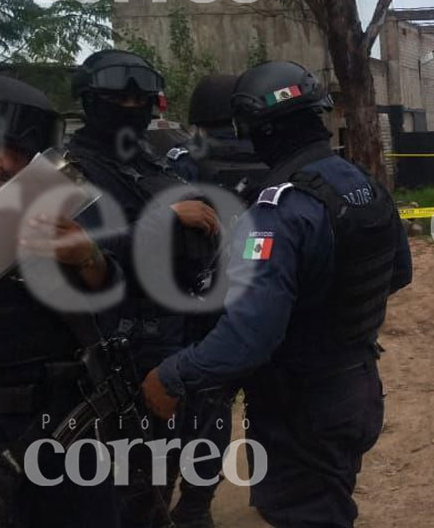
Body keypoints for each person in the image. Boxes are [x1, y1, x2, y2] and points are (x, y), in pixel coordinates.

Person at [141, 60, 413, 527]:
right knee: (329, 502)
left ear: (259, 129)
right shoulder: (363, 185)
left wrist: (171, 376)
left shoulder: (278, 212)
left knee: (306, 514)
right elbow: (399, 273)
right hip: (357, 387)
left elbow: (249, 338)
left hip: (303, 405)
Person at [0, 73, 120, 526]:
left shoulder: (49, 207)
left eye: (21, 152)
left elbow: (112, 305)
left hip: (70, 423)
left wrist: (88, 258)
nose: (5, 163)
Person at [66, 49, 221, 527]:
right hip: (121, 348)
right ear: (91, 102)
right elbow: (78, 252)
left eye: (141, 99)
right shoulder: (72, 171)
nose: (132, 107)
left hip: (181, 333)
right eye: (118, 98)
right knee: (129, 483)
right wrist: (166, 221)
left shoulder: (149, 162)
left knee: (173, 462)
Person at [164, 74, 268, 528]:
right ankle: (196, 506)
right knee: (218, 407)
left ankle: (159, 503)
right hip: (251, 303)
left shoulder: (182, 163)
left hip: (185, 304)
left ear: (198, 120)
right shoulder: (272, 162)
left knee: (172, 404)